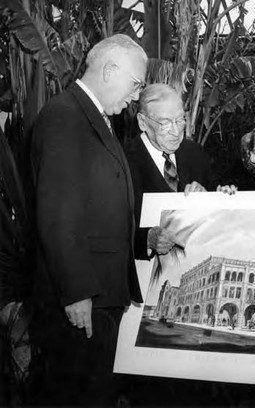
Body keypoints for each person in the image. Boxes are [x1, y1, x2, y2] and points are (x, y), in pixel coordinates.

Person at [30, 34, 147, 406]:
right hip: (84, 299)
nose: (135, 96)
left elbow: (99, 207)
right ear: (110, 69)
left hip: (102, 293)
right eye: (135, 84)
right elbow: (58, 212)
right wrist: (77, 290)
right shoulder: (65, 116)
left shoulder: (95, 116)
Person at [124, 83, 213, 260]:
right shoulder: (123, 162)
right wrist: (146, 240)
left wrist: (209, 198)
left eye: (180, 120)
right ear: (143, 122)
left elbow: (215, 215)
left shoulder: (194, 154)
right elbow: (106, 230)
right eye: (165, 123)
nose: (176, 131)